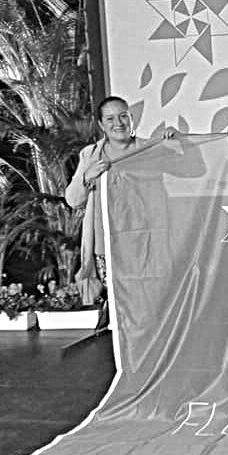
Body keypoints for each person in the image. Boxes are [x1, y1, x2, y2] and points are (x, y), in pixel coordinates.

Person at [65, 96, 178, 333]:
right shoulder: (91, 155)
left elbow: (195, 170)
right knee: (122, 310)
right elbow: (73, 200)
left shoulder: (151, 149)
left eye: (123, 116)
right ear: (101, 125)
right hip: (108, 246)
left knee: (152, 307)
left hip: (148, 244)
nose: (118, 123)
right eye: (110, 118)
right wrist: (87, 177)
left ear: (131, 118)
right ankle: (124, 354)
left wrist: (178, 143)